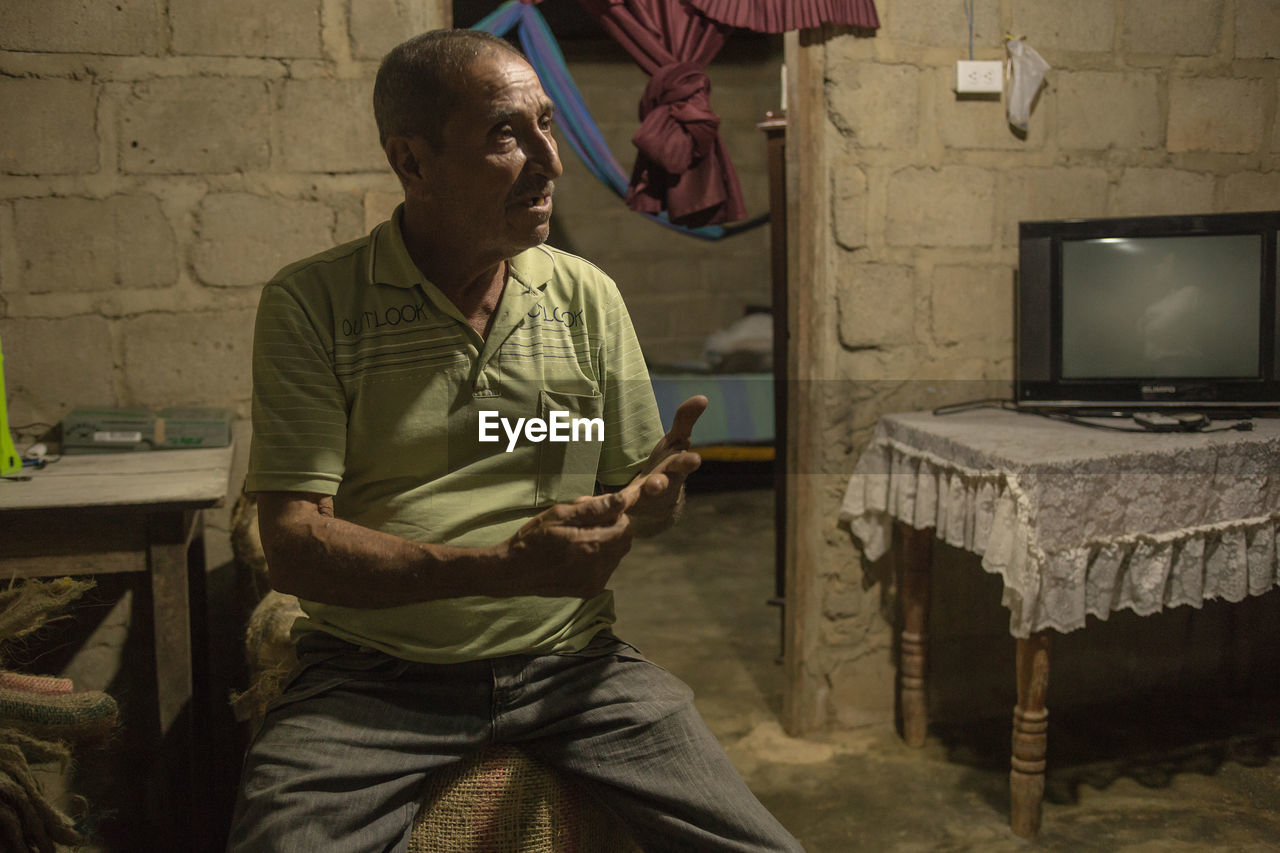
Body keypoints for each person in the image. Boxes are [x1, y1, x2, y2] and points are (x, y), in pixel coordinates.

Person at [227, 28, 803, 853]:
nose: (549, 160)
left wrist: (652, 500)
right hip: (373, 675)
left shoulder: (585, 296)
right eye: (506, 132)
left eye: (547, 124)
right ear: (412, 162)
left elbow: (638, 495)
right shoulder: (313, 304)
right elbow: (292, 547)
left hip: (571, 664)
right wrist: (500, 569)